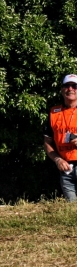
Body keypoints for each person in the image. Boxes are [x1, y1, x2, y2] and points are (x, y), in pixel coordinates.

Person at [42, 74, 77, 202]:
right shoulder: (54, 112)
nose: (70, 89)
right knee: (71, 208)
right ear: (62, 90)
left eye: (74, 86)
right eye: (67, 85)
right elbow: (47, 142)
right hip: (66, 168)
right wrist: (57, 159)